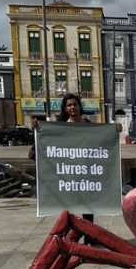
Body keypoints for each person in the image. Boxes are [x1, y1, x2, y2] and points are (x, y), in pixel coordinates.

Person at [57, 93, 94, 223]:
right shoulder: (61, 126)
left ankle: (89, 237)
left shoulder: (88, 124)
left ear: (79, 106)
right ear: (65, 108)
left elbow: (100, 139)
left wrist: (115, 129)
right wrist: (36, 129)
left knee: (88, 208)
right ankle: (70, 238)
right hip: (69, 170)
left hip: (86, 170)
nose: (72, 107)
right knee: (69, 206)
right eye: (69, 105)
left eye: (75, 104)